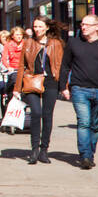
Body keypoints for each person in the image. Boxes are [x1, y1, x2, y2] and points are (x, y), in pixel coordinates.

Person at [60, 15, 98, 170]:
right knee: (84, 122)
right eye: (82, 24)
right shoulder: (73, 43)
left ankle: (89, 153)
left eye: (87, 24)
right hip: (79, 89)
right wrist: (64, 87)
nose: (83, 27)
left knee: (96, 125)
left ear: (96, 27)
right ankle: (85, 155)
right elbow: (65, 66)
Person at [16, 17, 64, 165]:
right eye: (35, 26)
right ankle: (34, 149)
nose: (37, 29)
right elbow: (21, 65)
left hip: (50, 83)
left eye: (40, 26)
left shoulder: (56, 44)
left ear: (47, 28)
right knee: (36, 112)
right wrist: (17, 88)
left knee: (47, 115)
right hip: (32, 81)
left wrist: (64, 87)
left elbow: (61, 66)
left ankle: (44, 150)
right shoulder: (28, 43)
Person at [0, 26, 25, 117]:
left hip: (23, 69)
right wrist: (8, 67)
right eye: (17, 35)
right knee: (12, 82)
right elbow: (4, 59)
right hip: (13, 70)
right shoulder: (8, 45)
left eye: (21, 34)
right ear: (12, 36)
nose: (19, 36)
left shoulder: (25, 44)